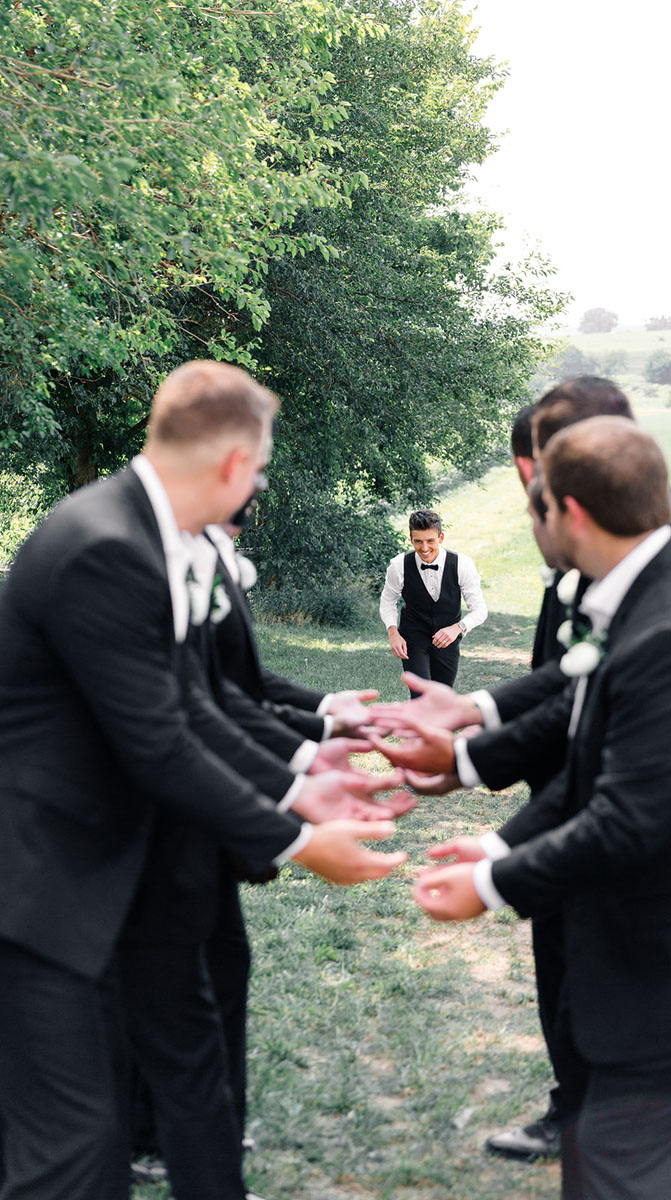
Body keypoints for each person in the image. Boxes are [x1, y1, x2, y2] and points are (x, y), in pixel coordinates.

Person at [0, 360, 407, 1200]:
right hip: (46, 885)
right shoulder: (102, 547)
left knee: (194, 1060)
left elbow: (202, 703)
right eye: (258, 470)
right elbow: (158, 740)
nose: (257, 486)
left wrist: (299, 785)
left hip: (141, 867)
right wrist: (296, 839)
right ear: (232, 465)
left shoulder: (166, 541)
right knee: (76, 1149)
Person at [377, 417, 671, 1200]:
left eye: (534, 504)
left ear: (569, 513)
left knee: (613, 1173)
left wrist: (492, 884)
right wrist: (497, 838)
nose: (528, 519)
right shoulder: (645, 587)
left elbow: (627, 817)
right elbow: (586, 741)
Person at [379, 509, 487, 695]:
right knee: (420, 695)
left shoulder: (462, 564)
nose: (425, 548)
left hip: (448, 641)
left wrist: (457, 628)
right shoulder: (399, 566)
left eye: (430, 541)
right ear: (411, 539)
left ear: (441, 537)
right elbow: (388, 601)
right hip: (412, 637)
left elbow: (480, 610)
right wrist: (392, 632)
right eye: (418, 541)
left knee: (442, 697)